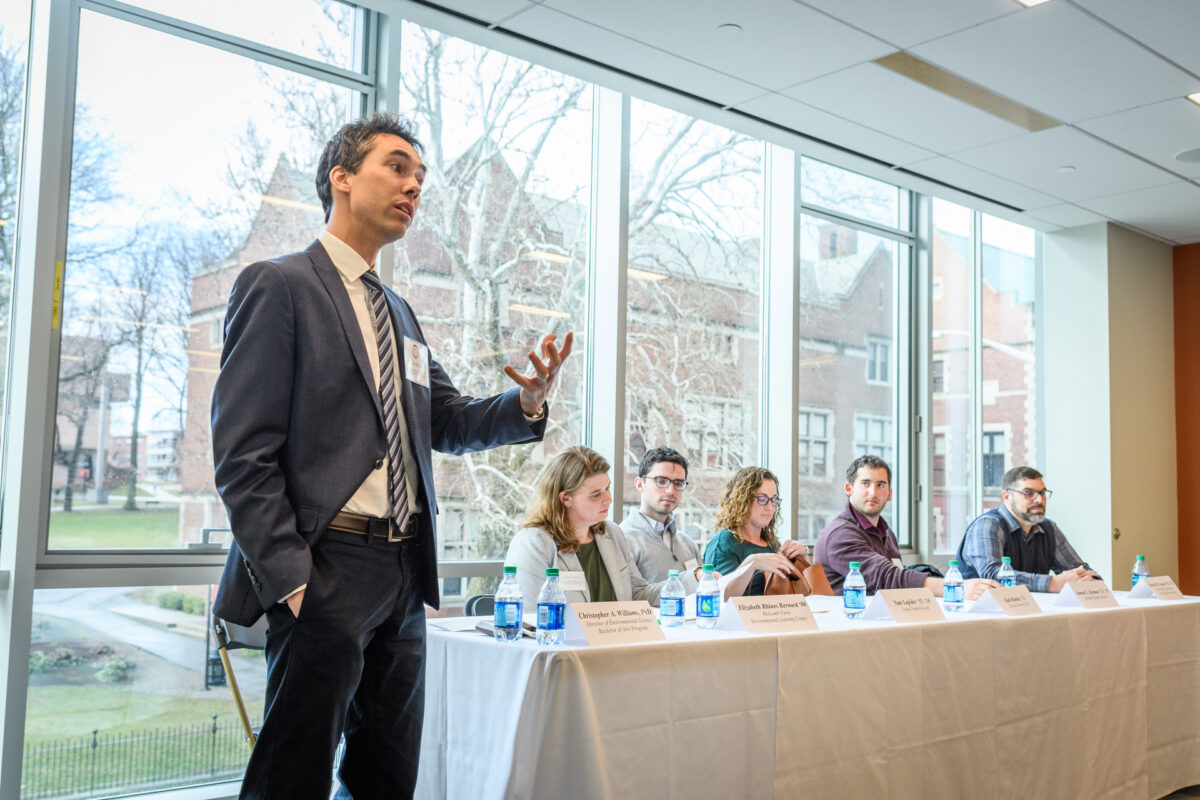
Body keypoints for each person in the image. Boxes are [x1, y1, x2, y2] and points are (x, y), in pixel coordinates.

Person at [210, 113, 573, 800]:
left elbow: (450, 421)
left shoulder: (399, 312)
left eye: (420, 177)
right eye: (397, 167)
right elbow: (241, 453)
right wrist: (292, 579)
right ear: (340, 178)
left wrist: (527, 402)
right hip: (325, 570)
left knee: (387, 776)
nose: (413, 186)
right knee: (293, 778)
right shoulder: (279, 285)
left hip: (404, 574)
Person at [814, 455, 997, 599]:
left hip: (884, 620)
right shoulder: (840, 535)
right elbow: (887, 578)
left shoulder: (886, 532)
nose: (873, 492)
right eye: (865, 483)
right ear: (848, 489)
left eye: (880, 485)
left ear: (890, 493)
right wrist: (955, 587)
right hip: (849, 628)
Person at [505, 446, 660, 604]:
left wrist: (682, 582)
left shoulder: (612, 532)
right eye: (595, 494)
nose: (609, 499)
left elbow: (638, 595)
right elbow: (529, 618)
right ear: (566, 498)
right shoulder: (533, 544)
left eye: (607, 488)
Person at [957, 466, 1098, 592]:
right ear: (1007, 496)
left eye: (1042, 493)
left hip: (1031, 610)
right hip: (983, 613)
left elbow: (1077, 569)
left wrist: (1090, 580)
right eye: (1029, 493)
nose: (1039, 500)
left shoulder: (1049, 528)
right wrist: (1052, 583)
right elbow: (993, 575)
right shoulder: (988, 525)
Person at [703, 466, 804, 597]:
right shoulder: (725, 541)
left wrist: (802, 555)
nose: (770, 507)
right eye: (762, 499)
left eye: (773, 500)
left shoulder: (772, 543)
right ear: (742, 501)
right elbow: (722, 597)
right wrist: (751, 564)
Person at [620, 447, 707, 592]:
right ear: (639, 484)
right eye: (661, 481)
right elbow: (631, 597)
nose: (670, 491)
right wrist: (693, 578)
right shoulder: (623, 539)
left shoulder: (688, 543)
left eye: (678, 484)